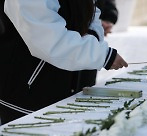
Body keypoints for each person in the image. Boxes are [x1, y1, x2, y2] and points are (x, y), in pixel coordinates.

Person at [0, 0, 128, 124]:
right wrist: (102, 55)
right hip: (29, 91)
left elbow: (91, 11)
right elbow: (46, 37)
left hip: (74, 84)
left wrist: (93, 36)